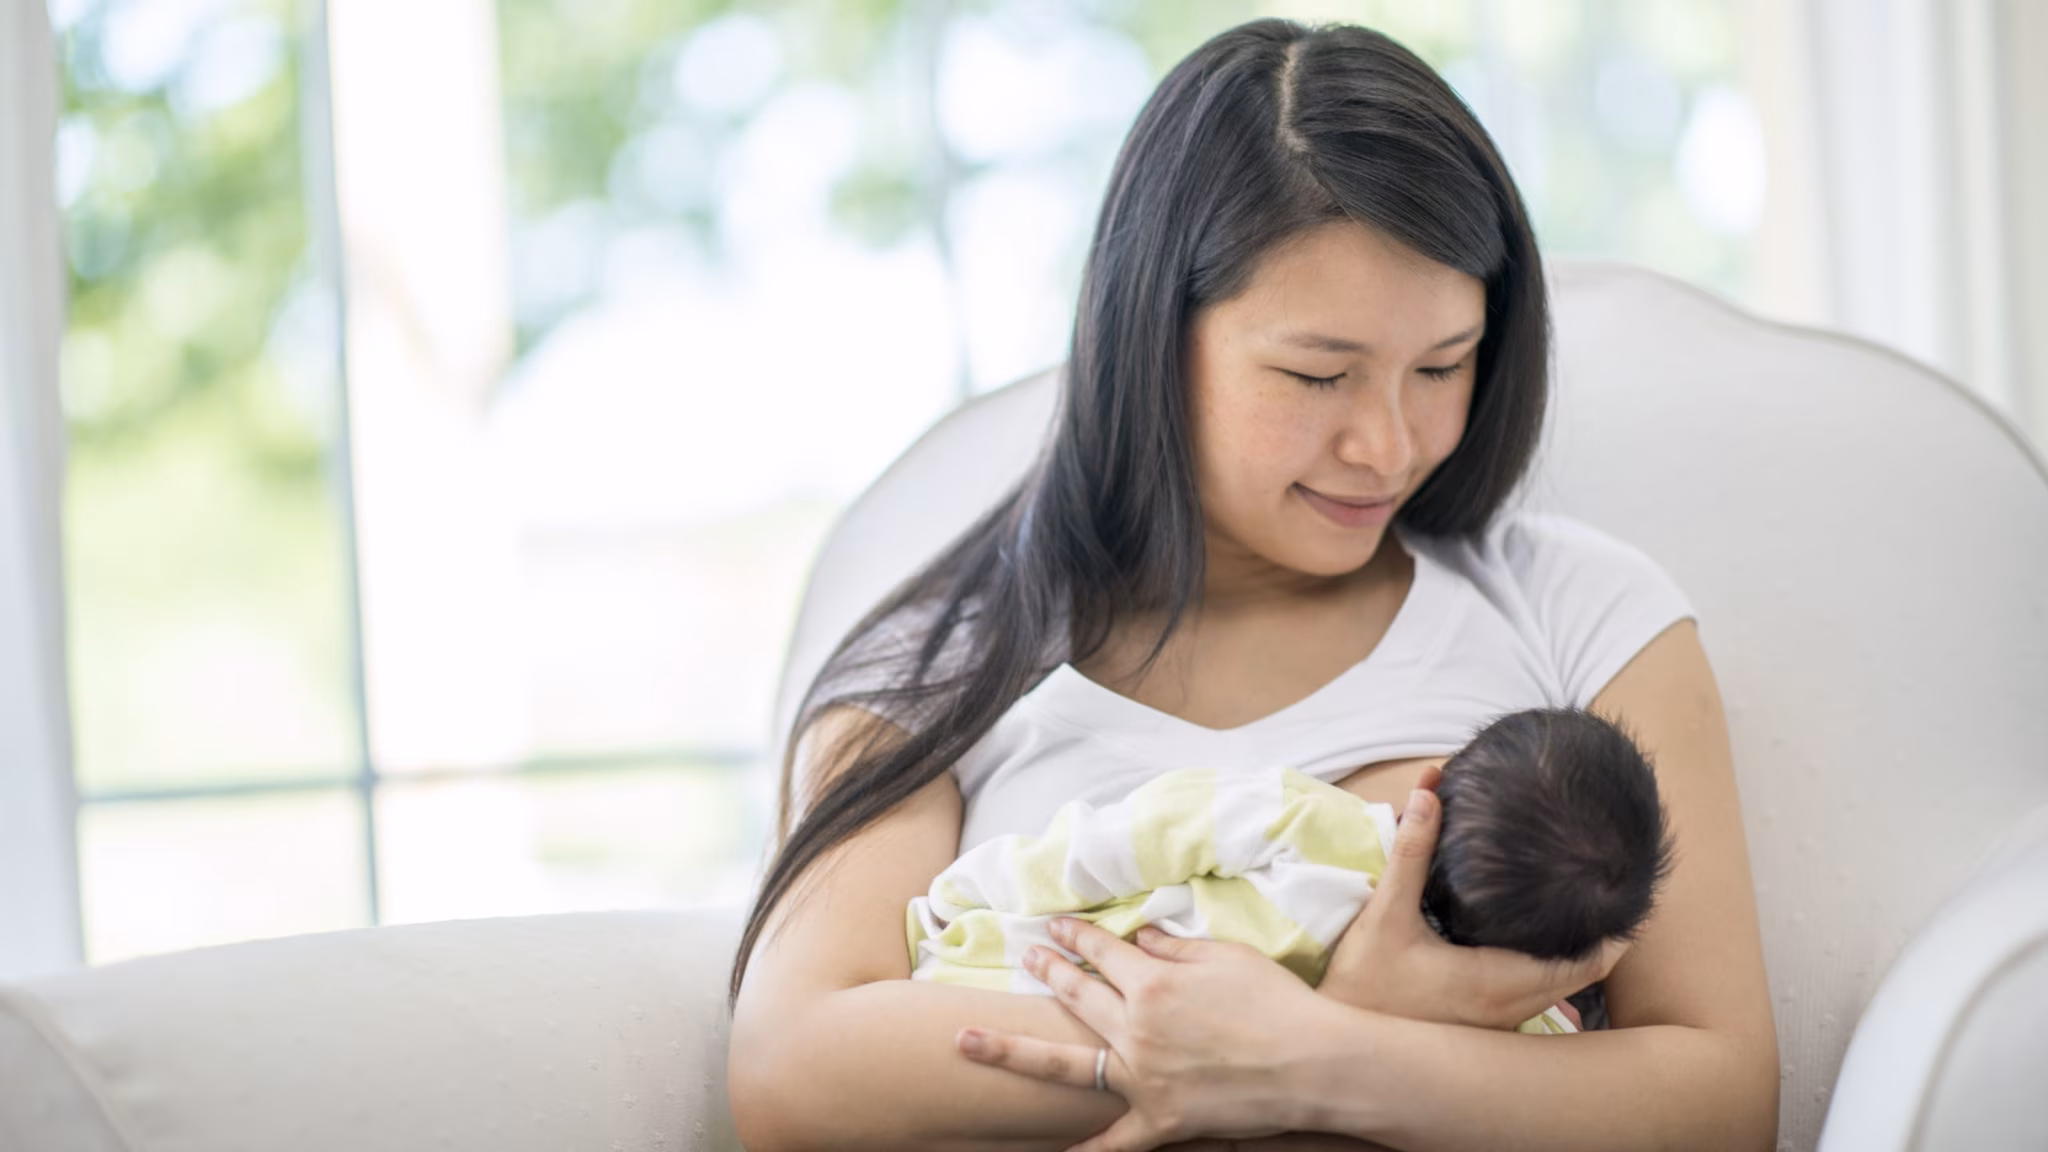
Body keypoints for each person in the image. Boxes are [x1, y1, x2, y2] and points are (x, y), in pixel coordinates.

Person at [727, 17, 1778, 1152]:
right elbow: (795, 1068)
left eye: (1443, 364)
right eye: (1316, 374)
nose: (1385, 443)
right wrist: (1324, 1032)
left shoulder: (1581, 613)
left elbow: (1718, 1097)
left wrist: (1319, 1058)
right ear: (1150, 336)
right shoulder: (941, 669)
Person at [907, 706, 1675, 1044]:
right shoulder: (1505, 1018)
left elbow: (1136, 834)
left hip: (1013, 962)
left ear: (1430, 788)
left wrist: (979, 890)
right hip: (1102, 1034)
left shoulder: (1308, 821)